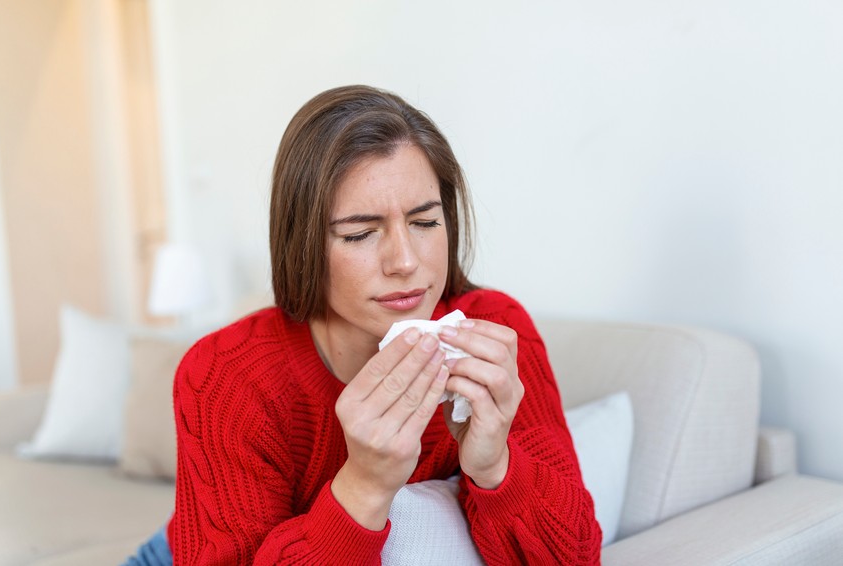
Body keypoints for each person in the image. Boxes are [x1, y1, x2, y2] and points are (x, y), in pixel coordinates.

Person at [127, 85, 601, 565]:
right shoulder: (224, 376)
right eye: (359, 233)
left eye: (425, 222)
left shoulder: (493, 329)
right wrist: (363, 485)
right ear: (304, 243)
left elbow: (580, 557)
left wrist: (495, 464)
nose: (405, 261)